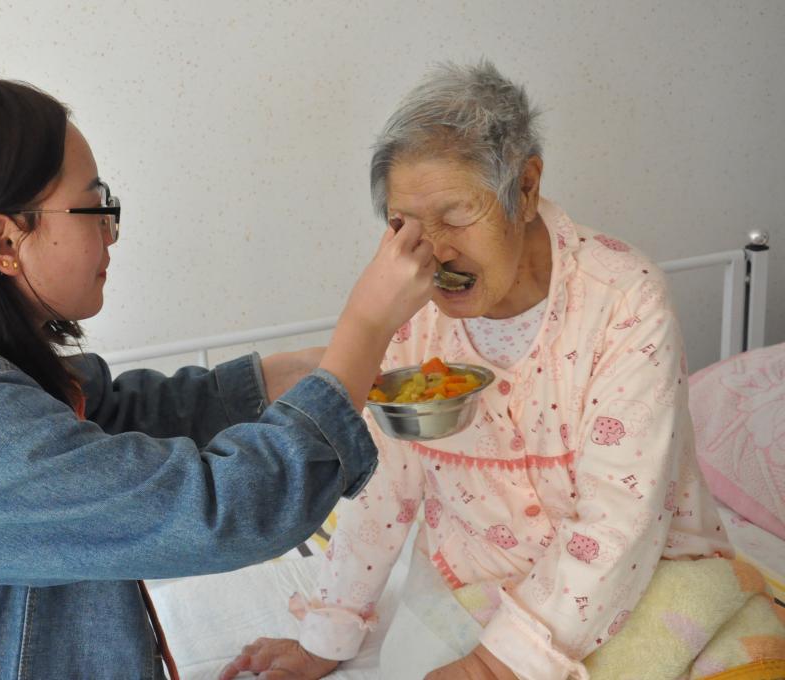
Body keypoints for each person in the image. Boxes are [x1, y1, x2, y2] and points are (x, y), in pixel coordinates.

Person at [0, 77, 439, 679]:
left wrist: (312, 368)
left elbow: (108, 416)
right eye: (94, 208)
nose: (112, 233)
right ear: (6, 243)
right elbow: (219, 511)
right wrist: (365, 326)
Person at [222, 60, 731, 680]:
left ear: (526, 189)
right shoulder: (406, 306)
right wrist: (327, 634)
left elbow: (621, 517)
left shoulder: (625, 300)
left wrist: (491, 667)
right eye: (404, 225)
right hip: (474, 576)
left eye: (457, 215)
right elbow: (380, 485)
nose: (433, 252)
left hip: (637, 576)